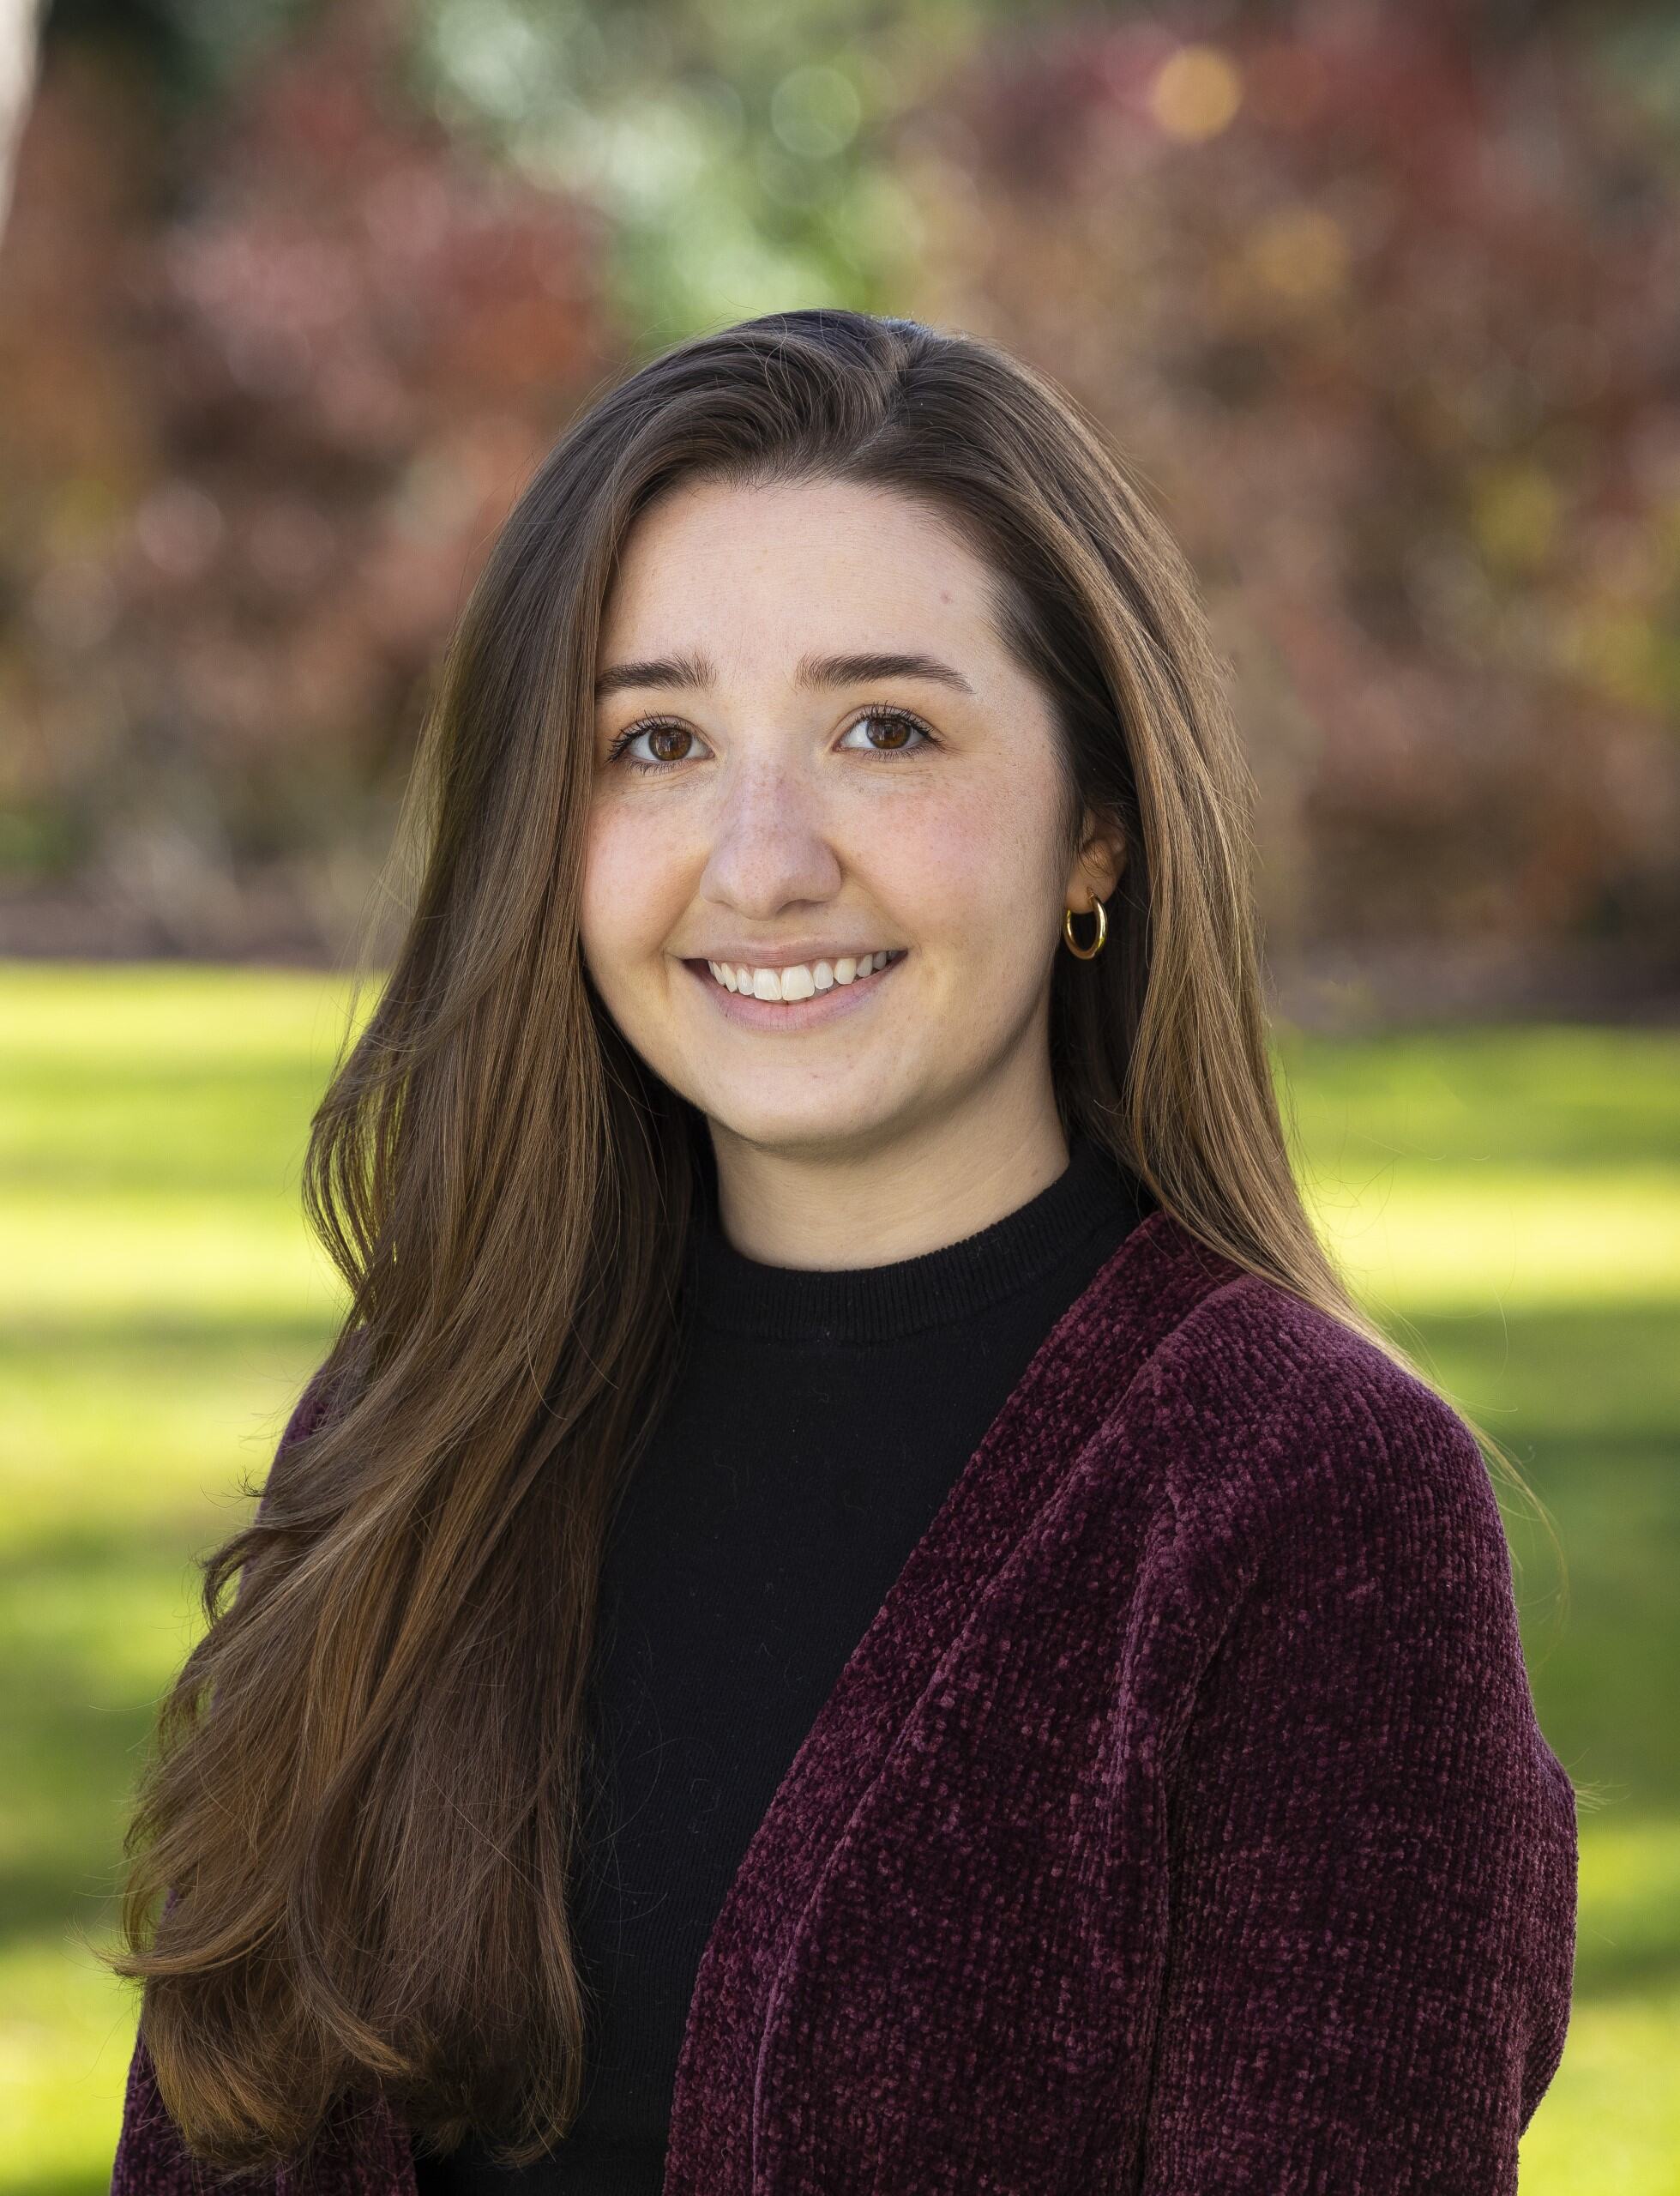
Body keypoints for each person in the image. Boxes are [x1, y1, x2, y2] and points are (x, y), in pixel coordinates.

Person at [108, 309, 1576, 2196]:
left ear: (1097, 826)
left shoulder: (1309, 1501)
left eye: (883, 729)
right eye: (655, 742)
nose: (761, 861)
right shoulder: (428, 1410)